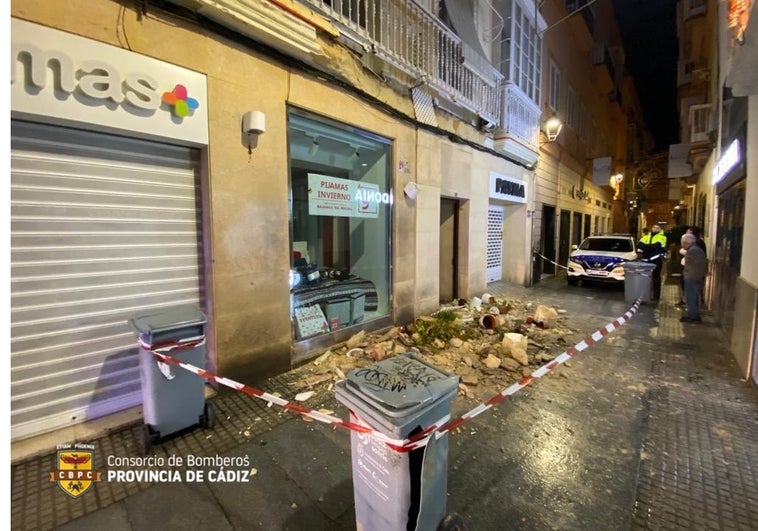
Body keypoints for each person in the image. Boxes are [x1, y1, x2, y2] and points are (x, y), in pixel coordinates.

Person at [675, 226, 707, 307]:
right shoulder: (695, 245)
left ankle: (693, 313)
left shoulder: (697, 245)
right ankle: (689, 306)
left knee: (692, 292)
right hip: (691, 272)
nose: (687, 233)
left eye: (689, 232)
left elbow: (695, 258)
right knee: (688, 290)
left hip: (693, 274)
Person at [680, 233, 708, 323]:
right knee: (691, 297)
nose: (682, 245)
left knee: (691, 297)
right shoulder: (694, 249)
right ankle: (692, 314)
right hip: (693, 276)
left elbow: (699, 264)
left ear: (687, 242)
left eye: (683, 243)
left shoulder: (694, 250)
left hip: (693, 277)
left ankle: (694, 316)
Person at [637, 224, 667, 301]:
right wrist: (650, 247)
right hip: (646, 260)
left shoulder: (662, 237)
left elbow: (658, 246)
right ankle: (644, 295)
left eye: (657, 228)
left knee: (656, 278)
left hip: (656, 260)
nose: (655, 229)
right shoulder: (646, 236)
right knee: (645, 278)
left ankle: (656, 296)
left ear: (660, 229)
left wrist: (646, 247)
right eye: (654, 227)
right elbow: (639, 244)